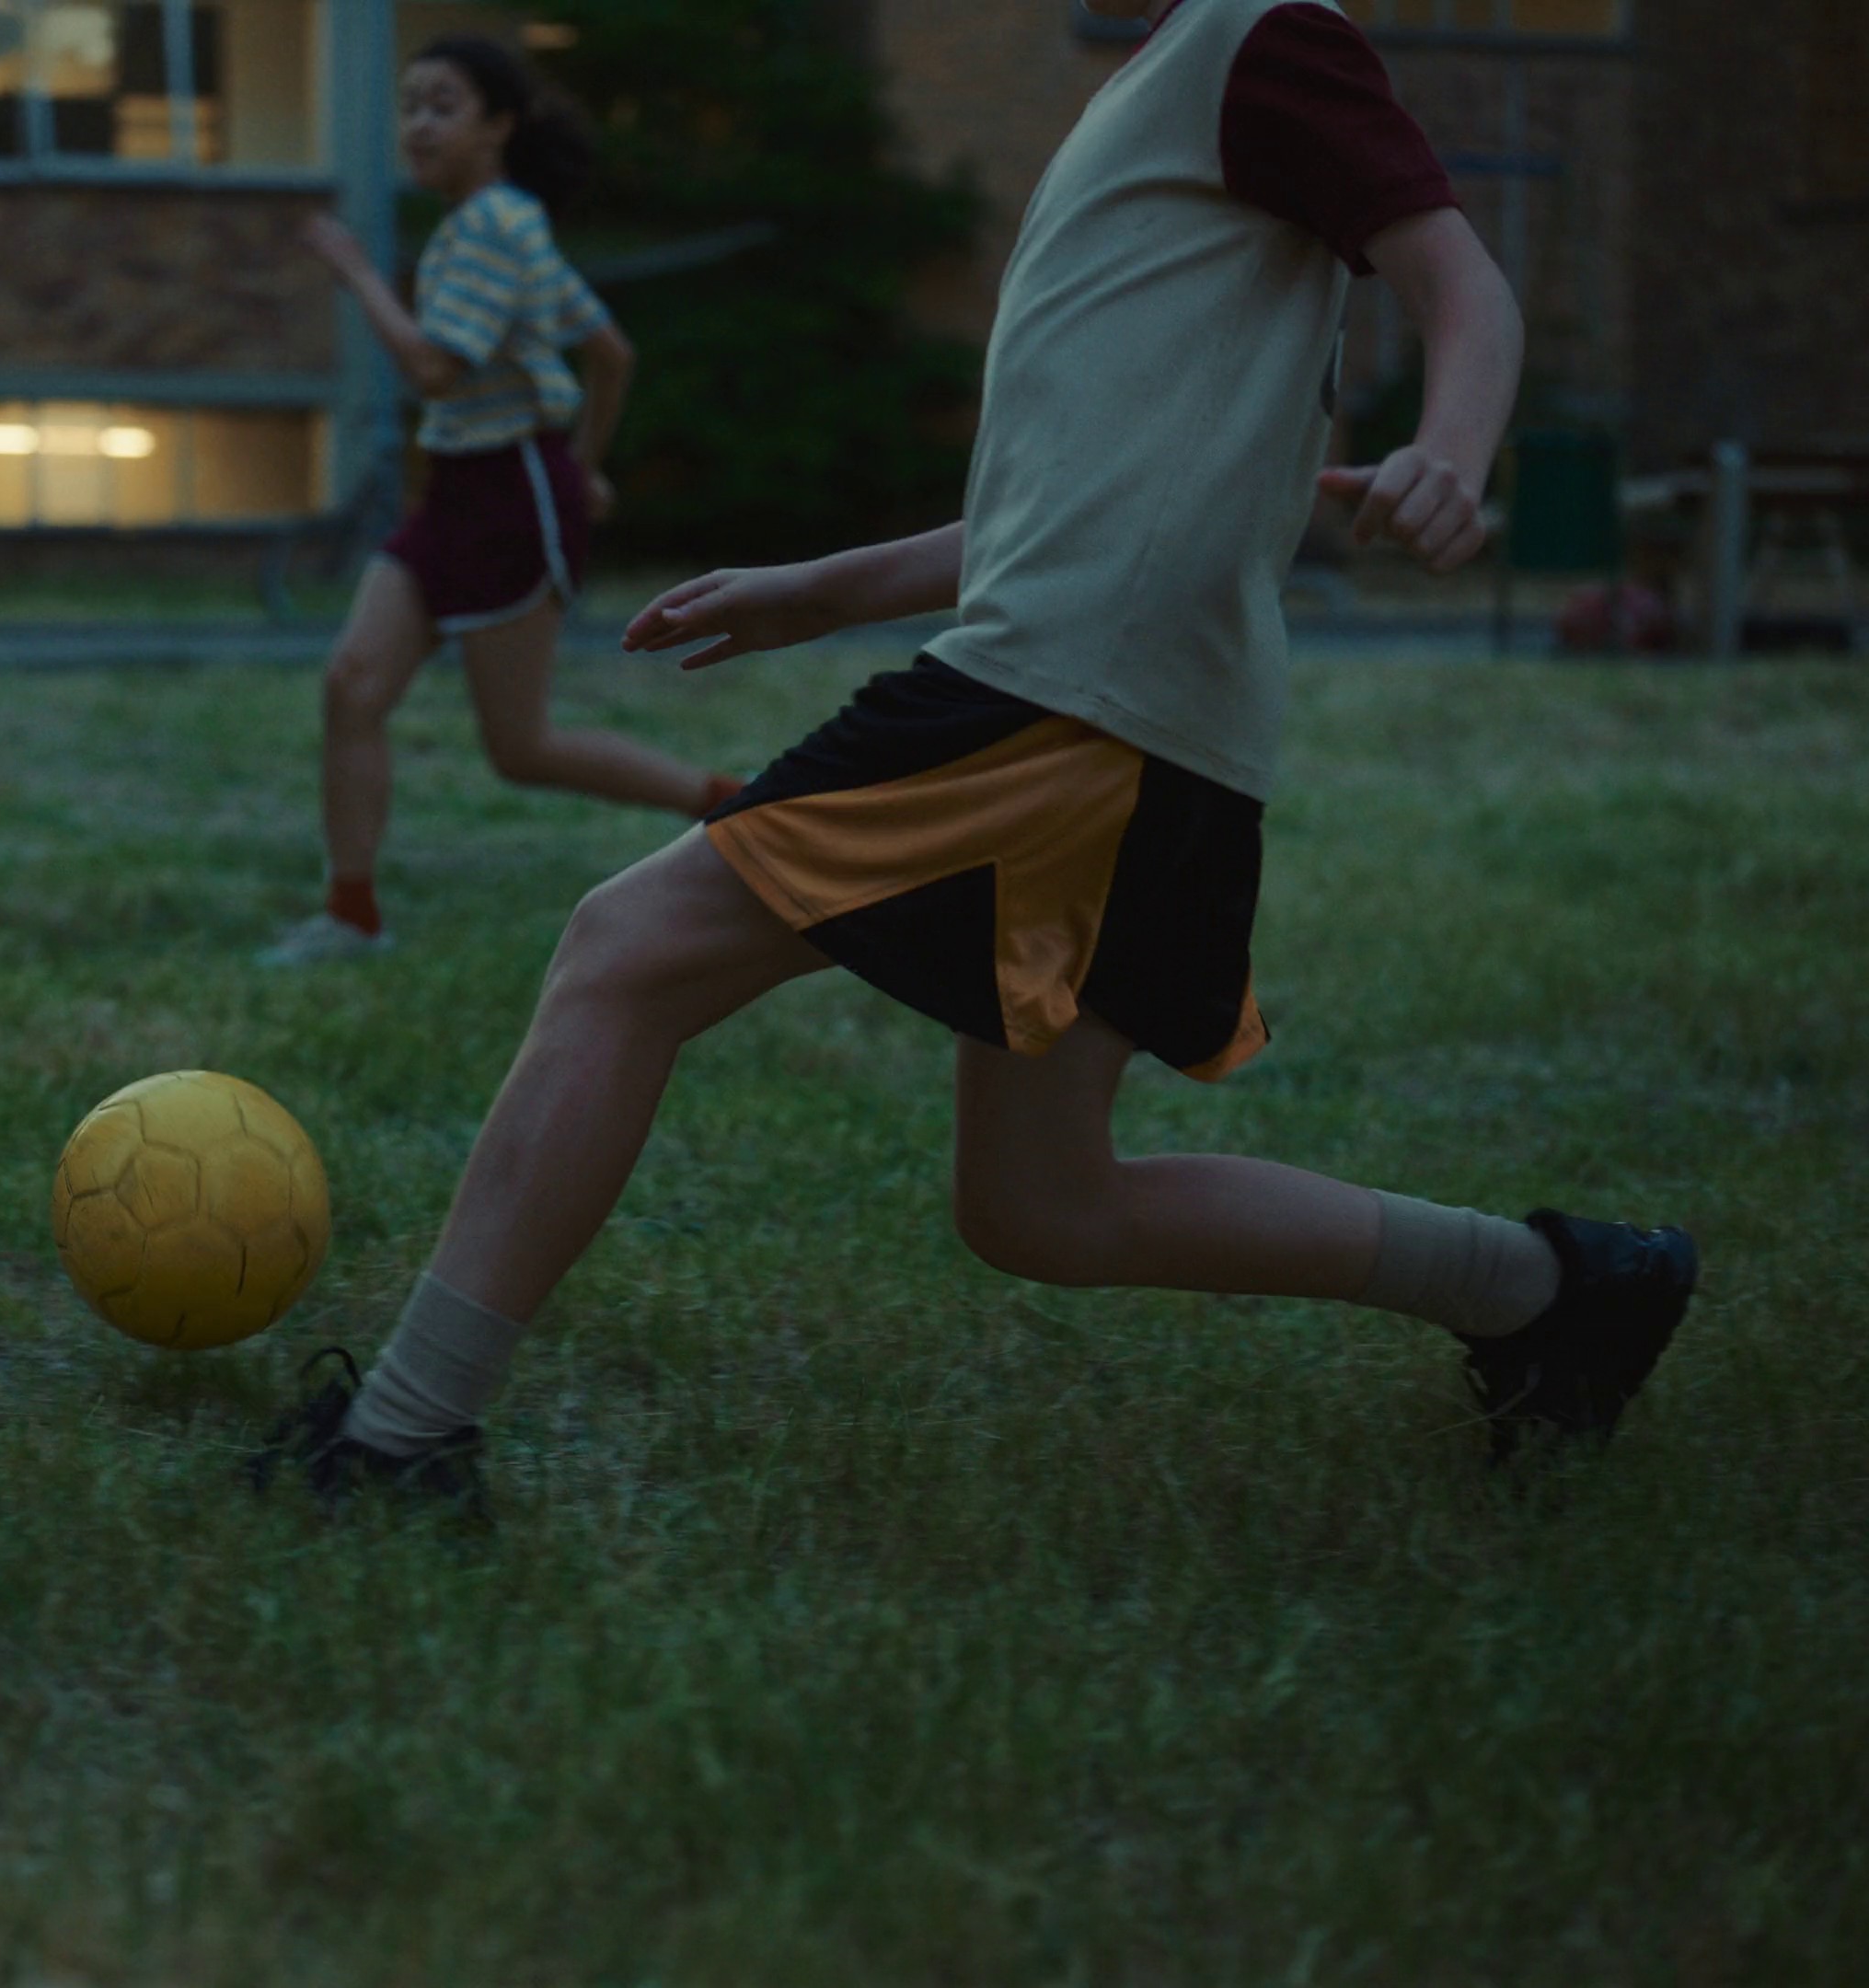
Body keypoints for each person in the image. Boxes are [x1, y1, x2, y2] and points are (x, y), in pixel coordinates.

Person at [253, 0, 1696, 1508]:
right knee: (1043, 1208)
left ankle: (399, 1444)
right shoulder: (1151, 99)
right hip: (1129, 719)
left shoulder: (1264, 41)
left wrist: (1452, 455)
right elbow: (1060, 503)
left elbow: (1466, 285)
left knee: (624, 951)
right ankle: (1556, 1293)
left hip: (1068, 706)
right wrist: (817, 590)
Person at [259, 35, 743, 966]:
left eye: (442, 105)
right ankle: (351, 915)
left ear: (498, 125)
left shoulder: (492, 228)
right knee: (352, 685)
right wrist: (589, 469)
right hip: (458, 490)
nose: (416, 125)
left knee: (522, 749)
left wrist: (356, 271)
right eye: (409, 105)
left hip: (510, 496)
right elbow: (610, 353)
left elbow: (438, 369)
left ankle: (730, 801)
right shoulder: (503, 223)